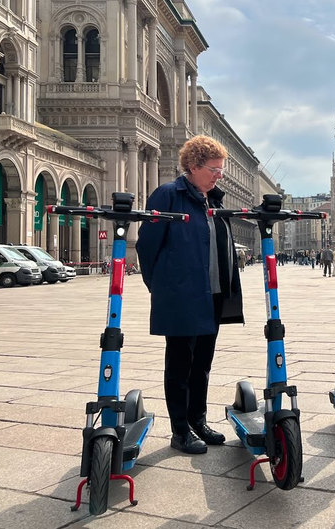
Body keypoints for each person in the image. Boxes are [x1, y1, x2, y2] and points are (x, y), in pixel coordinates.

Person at [136, 135, 243, 454]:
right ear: (194, 166)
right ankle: (180, 431)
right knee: (180, 363)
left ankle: (199, 421)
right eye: (215, 169)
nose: (219, 175)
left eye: (221, 170)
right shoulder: (169, 195)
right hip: (182, 296)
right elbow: (147, 245)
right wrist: (164, 286)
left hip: (212, 294)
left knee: (203, 364)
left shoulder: (214, 200)